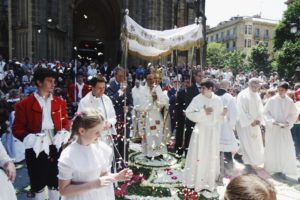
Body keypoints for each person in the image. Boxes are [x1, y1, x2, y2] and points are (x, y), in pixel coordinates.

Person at [13, 68, 70, 200]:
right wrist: (32, 138)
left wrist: (64, 132)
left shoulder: (59, 102)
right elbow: (17, 129)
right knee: (37, 184)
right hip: (35, 148)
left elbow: (65, 122)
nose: (53, 84)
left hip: (55, 147)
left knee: (55, 183)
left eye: (54, 81)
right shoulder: (24, 104)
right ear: (39, 82)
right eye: (49, 81)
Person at [58, 108, 133, 200]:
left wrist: (116, 177)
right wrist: (94, 185)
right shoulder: (68, 156)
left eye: (101, 131)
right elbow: (63, 190)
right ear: (82, 131)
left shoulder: (102, 149)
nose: (100, 135)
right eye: (96, 132)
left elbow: (103, 175)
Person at [183, 80, 224, 193]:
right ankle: (194, 181)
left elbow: (220, 118)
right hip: (201, 130)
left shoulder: (218, 100)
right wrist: (202, 112)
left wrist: (223, 115)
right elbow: (188, 112)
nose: (201, 90)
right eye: (201, 88)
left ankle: (209, 181)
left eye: (204, 88)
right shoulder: (197, 98)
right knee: (199, 153)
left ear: (211, 88)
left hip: (213, 132)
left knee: (211, 154)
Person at [263, 82, 298, 177]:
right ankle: (272, 167)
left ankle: (283, 168)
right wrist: (272, 121)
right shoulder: (271, 100)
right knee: (273, 147)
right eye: (278, 90)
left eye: (282, 90)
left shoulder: (290, 101)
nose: (279, 92)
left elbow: (293, 114)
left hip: (284, 129)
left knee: (284, 148)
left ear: (286, 90)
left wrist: (288, 122)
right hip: (273, 129)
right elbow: (265, 112)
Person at [136, 73, 170, 159]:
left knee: (158, 132)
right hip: (147, 116)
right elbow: (141, 105)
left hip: (157, 114)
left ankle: (160, 152)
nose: (151, 81)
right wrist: (152, 100)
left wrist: (157, 100)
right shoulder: (143, 90)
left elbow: (164, 101)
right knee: (149, 134)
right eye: (149, 79)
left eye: (152, 79)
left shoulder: (158, 88)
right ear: (146, 80)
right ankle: (150, 153)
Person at [78, 75, 116, 148]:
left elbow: (113, 116)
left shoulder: (107, 99)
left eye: (103, 88)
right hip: (92, 139)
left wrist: (110, 123)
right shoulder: (84, 101)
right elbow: (81, 120)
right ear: (93, 88)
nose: (102, 90)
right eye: (99, 88)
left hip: (106, 137)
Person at [236, 78, 264, 170]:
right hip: (246, 124)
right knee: (247, 143)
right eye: (253, 85)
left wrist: (259, 119)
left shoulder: (257, 95)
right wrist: (251, 121)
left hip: (255, 124)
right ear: (249, 85)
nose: (255, 87)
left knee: (254, 143)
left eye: (257, 86)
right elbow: (241, 110)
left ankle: (242, 157)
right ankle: (248, 164)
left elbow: (260, 108)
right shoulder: (243, 95)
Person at [106, 67, 132, 162]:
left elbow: (131, 102)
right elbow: (111, 101)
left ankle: (125, 160)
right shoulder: (110, 86)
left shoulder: (127, 86)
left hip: (125, 118)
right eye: (120, 76)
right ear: (115, 75)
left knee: (125, 141)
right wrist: (120, 91)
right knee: (116, 141)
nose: (122, 78)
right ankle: (116, 161)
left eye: (124, 76)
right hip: (115, 118)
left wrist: (128, 107)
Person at [215, 80, 238, 178]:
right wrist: (232, 126)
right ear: (228, 86)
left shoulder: (213, 96)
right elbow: (234, 114)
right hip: (225, 126)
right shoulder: (229, 98)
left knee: (215, 149)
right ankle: (228, 170)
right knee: (227, 151)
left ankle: (215, 170)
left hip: (214, 126)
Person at [183, 70, 203, 155]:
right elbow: (188, 105)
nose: (201, 78)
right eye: (199, 76)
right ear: (195, 77)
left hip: (202, 119)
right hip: (192, 118)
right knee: (190, 136)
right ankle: (188, 153)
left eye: (202, 76)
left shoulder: (206, 89)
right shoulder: (191, 89)